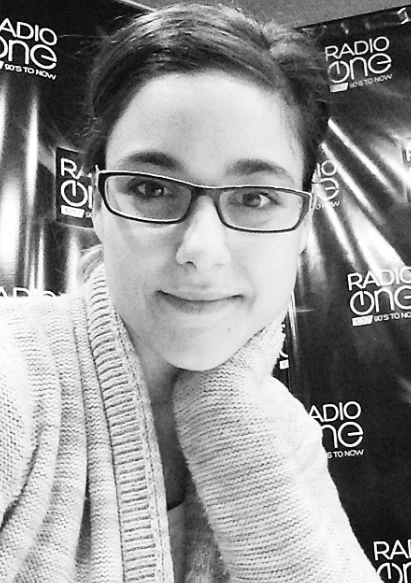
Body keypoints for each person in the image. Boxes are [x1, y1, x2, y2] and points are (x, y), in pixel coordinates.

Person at [0, 3, 382, 582]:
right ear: (97, 204)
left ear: (303, 225)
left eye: (255, 198)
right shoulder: (16, 381)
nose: (201, 248)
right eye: (152, 189)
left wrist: (223, 409)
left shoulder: (285, 430)